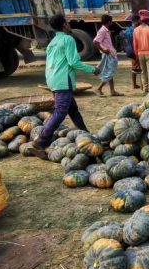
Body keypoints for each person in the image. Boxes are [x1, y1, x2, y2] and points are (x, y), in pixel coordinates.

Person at [25, 14, 99, 160]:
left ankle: (85, 134)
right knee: (60, 111)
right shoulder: (68, 39)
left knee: (73, 110)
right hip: (62, 80)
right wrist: (93, 69)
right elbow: (73, 62)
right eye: (67, 22)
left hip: (53, 79)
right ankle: (40, 142)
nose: (68, 24)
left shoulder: (53, 41)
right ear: (64, 24)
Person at [93, 14, 121, 96]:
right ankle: (99, 88)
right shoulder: (102, 31)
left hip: (110, 53)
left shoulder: (105, 30)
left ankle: (112, 91)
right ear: (109, 22)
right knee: (109, 72)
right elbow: (95, 42)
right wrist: (103, 50)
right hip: (108, 54)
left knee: (110, 72)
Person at [121, 16, 141, 89]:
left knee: (133, 67)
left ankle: (134, 84)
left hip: (129, 50)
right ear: (136, 21)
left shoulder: (128, 29)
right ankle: (142, 84)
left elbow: (122, 35)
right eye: (139, 20)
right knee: (140, 67)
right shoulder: (137, 29)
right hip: (136, 50)